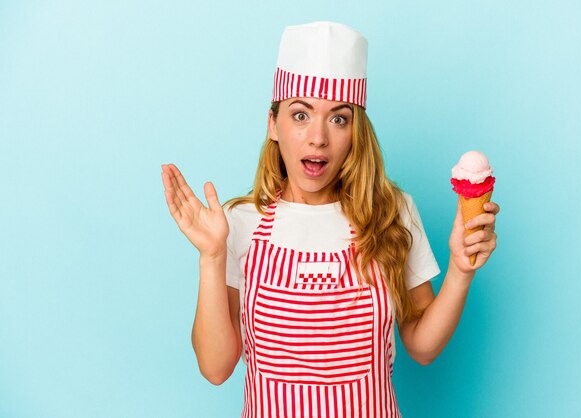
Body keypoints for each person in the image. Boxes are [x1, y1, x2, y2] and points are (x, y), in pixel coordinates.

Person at [161, 21, 499, 418]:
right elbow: (216, 369)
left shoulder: (392, 212)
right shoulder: (238, 222)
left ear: (356, 132)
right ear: (273, 124)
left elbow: (422, 347)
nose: (318, 137)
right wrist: (212, 256)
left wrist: (461, 270)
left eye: (338, 118)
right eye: (300, 114)